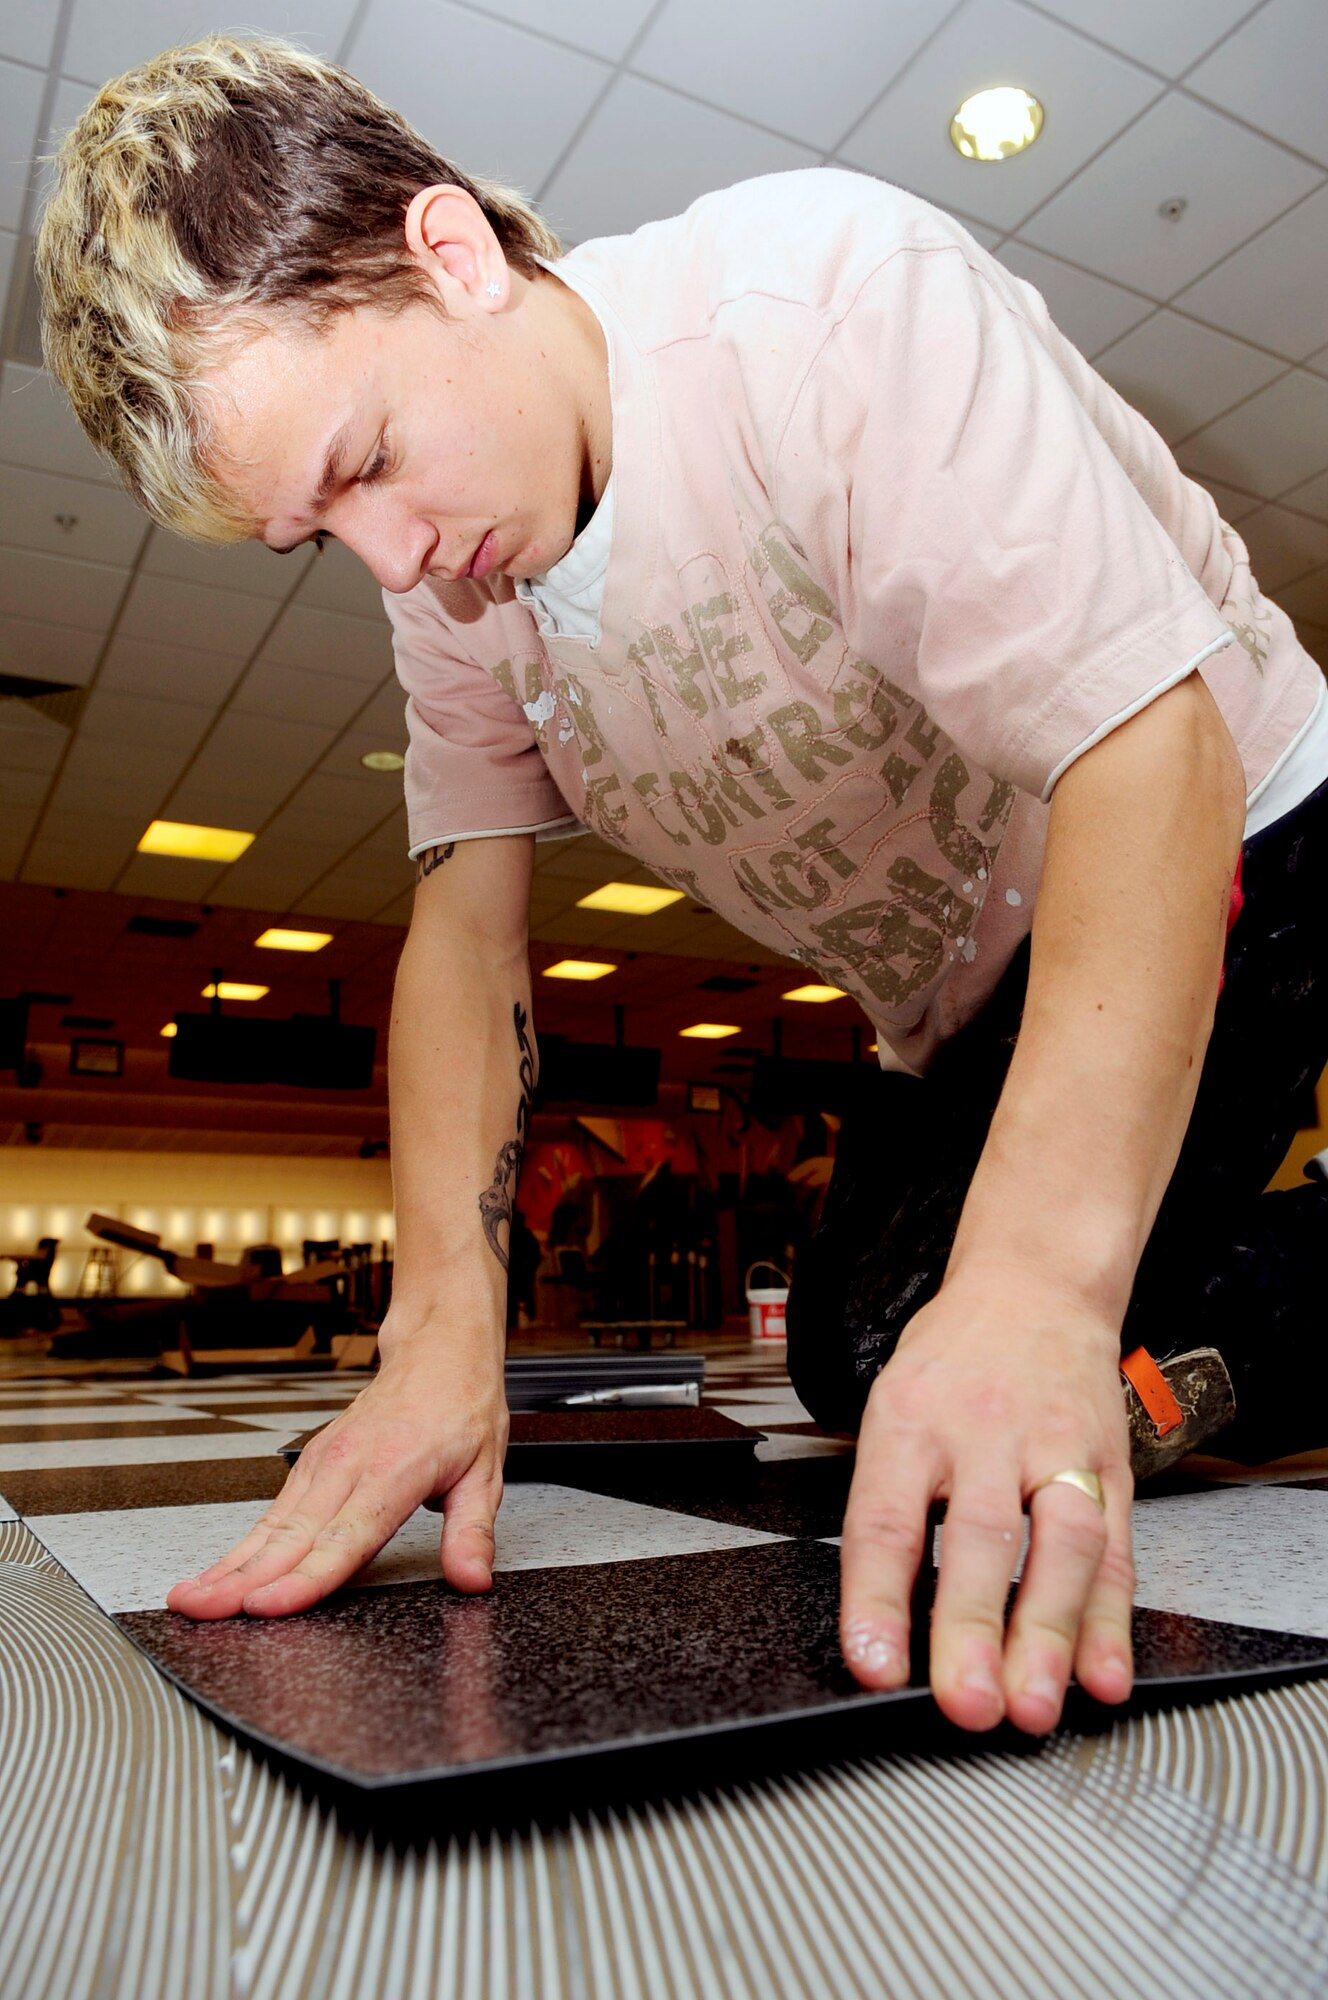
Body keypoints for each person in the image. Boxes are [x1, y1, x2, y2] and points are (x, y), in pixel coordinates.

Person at [38, 37, 1328, 1739]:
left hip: (1234, 827)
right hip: (962, 986)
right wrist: (441, 1332)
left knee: (982, 1327)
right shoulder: (453, 590)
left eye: (362, 462)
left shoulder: (824, 305)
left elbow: (1144, 759)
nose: (390, 557)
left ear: (455, 254)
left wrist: (1040, 1292)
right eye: (316, 533)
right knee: (855, 1353)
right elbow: (465, 935)